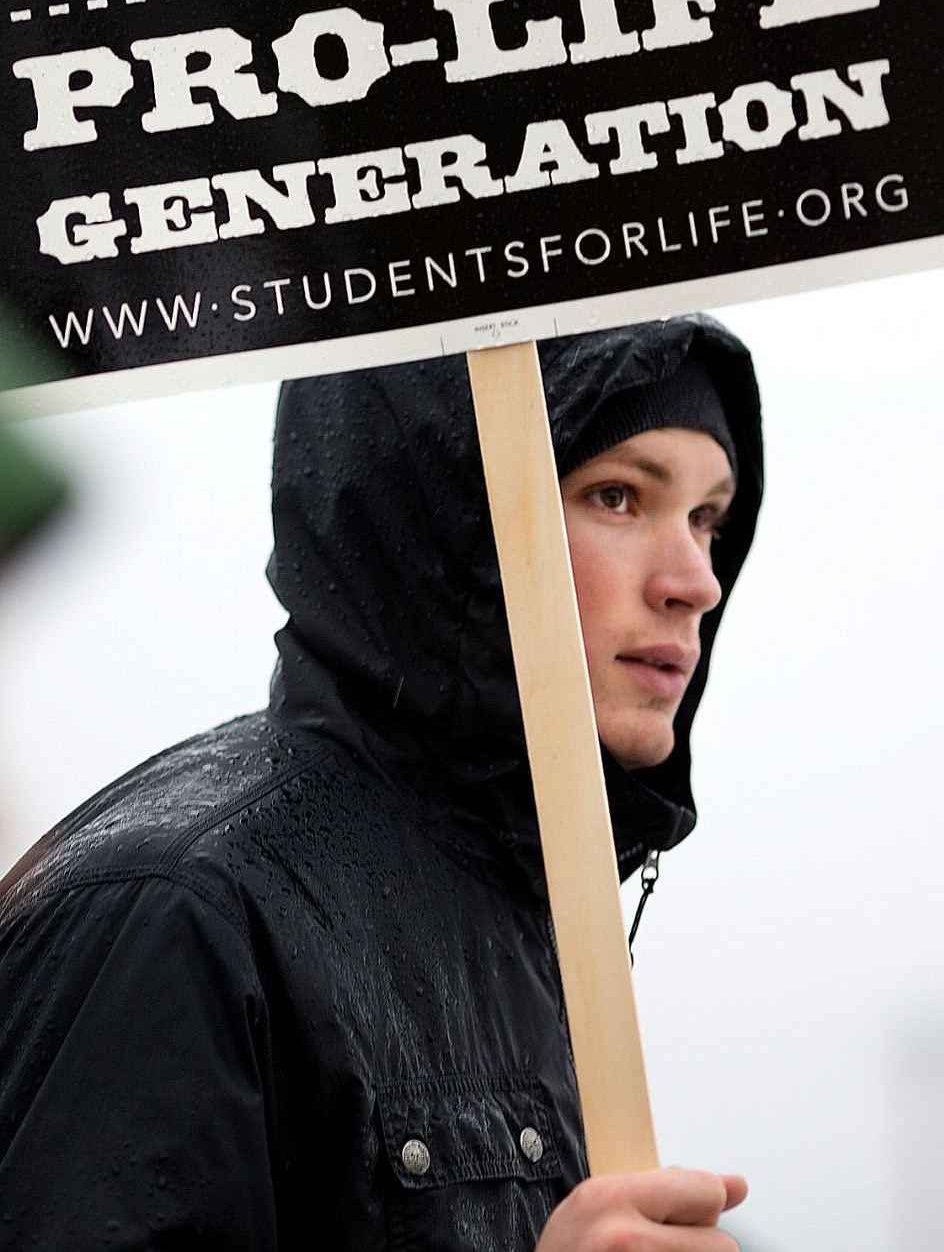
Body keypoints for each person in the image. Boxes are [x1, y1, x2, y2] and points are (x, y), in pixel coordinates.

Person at [0, 313, 763, 1249]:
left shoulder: (519, 903)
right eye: (616, 494)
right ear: (442, 509)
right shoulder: (177, 910)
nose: (695, 578)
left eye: (706, 518)